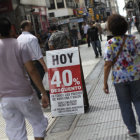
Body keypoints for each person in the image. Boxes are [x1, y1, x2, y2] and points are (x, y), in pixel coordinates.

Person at [0, 18, 49, 140]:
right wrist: (43, 92)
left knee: (16, 133)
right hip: (24, 94)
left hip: (5, 98)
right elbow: (32, 70)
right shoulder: (20, 45)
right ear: (11, 29)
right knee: (39, 123)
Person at [104, 14, 140, 137]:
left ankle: (132, 129)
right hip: (136, 76)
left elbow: (107, 64)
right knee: (138, 100)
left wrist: (105, 83)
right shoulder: (134, 39)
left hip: (119, 79)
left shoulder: (110, 43)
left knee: (125, 104)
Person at [17, 20, 48, 99]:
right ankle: (45, 96)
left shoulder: (18, 39)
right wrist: (44, 65)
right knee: (42, 81)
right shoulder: (32, 38)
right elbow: (38, 54)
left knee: (33, 83)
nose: (32, 26)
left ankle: (40, 97)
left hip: (24, 65)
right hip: (35, 64)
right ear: (26, 27)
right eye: (30, 25)